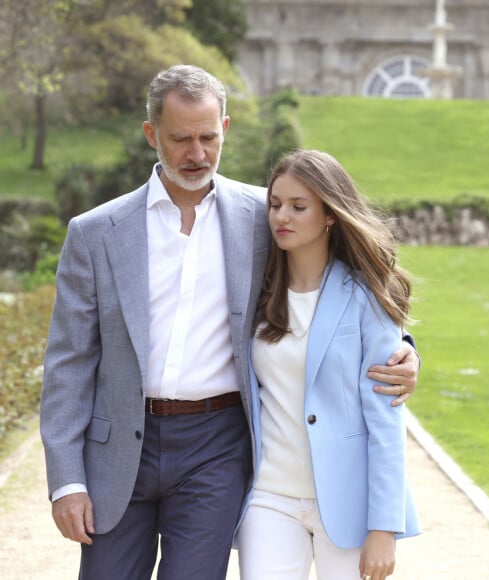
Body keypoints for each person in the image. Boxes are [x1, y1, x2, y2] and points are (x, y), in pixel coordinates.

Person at [40, 65, 420, 580]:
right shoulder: (96, 233)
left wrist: (404, 350)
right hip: (117, 449)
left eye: (208, 137)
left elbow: (343, 280)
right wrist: (67, 481)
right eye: (180, 139)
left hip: (215, 446)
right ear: (152, 134)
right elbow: (68, 364)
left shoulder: (263, 217)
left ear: (226, 129)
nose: (196, 154)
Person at [237, 149, 421, 580]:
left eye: (299, 207)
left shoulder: (366, 298)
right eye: (276, 204)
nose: (282, 216)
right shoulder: (254, 292)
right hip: (269, 496)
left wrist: (383, 527)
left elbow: (386, 420)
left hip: (348, 503)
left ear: (330, 216)